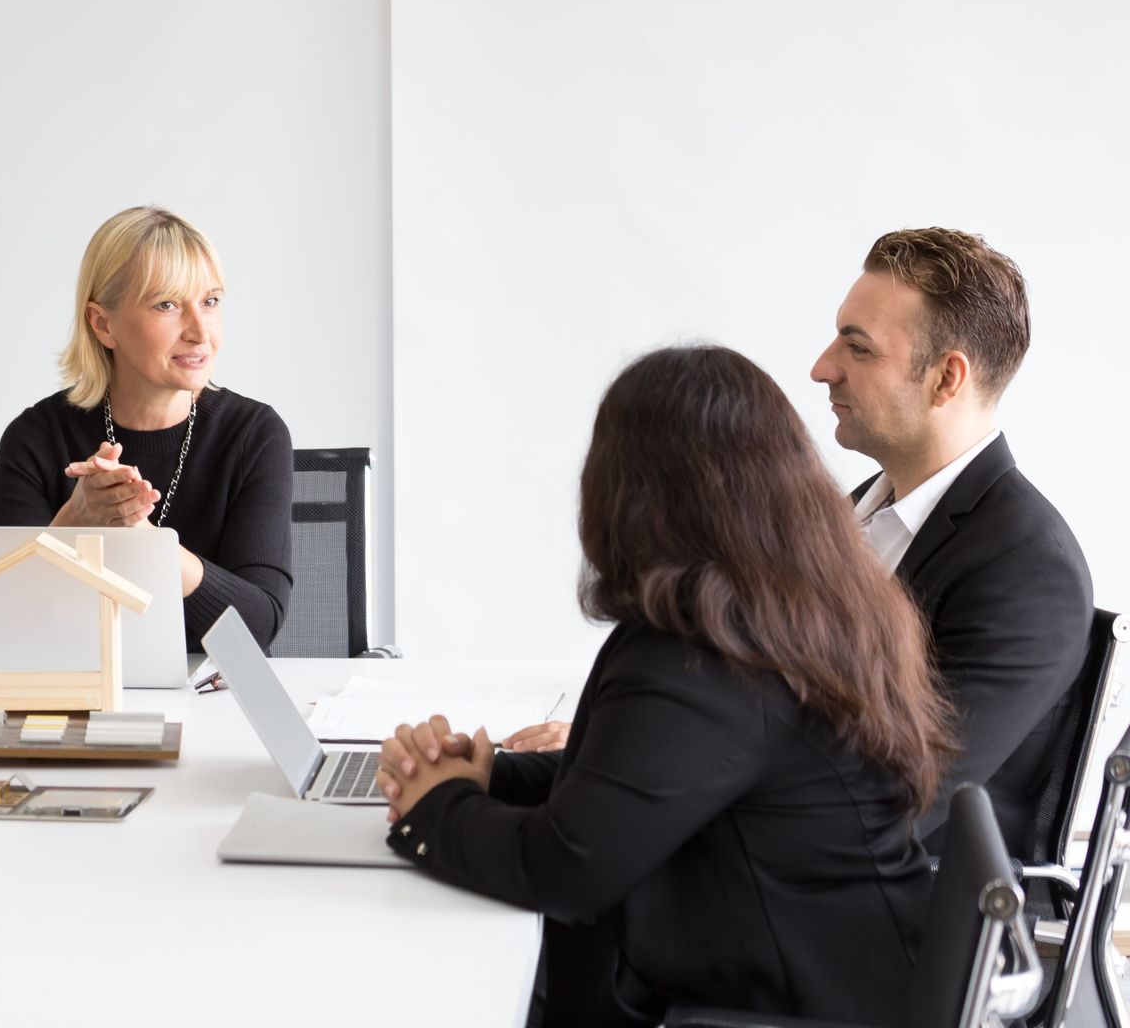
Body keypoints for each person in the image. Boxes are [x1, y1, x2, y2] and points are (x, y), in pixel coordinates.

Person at [377, 346, 952, 1026]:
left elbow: (566, 870)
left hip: (787, 1008)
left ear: (626, 489)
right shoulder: (786, 613)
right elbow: (641, 784)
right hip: (845, 981)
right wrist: (490, 777)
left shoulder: (710, 655)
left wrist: (433, 809)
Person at [811, 227, 1090, 854]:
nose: (822, 368)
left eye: (857, 348)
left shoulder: (1028, 571)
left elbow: (891, 800)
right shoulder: (851, 514)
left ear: (946, 379)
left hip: (884, 921)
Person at [0, 206, 292, 651]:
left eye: (209, 301)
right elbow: (9, 628)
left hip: (210, 707)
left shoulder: (254, 434)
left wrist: (143, 538)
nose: (199, 331)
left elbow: (259, 626)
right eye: (167, 304)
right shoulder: (35, 438)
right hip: (78, 699)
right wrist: (76, 522)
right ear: (103, 324)